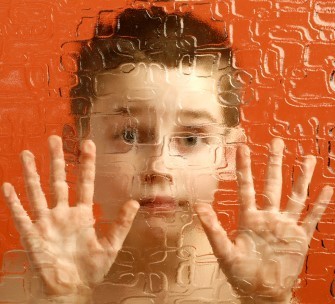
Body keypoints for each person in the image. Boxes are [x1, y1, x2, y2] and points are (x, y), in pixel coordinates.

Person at [1, 7, 333, 304]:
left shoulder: (256, 284)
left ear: (228, 154)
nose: (159, 166)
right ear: (76, 148)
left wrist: (269, 301)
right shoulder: (29, 285)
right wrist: (66, 298)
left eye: (190, 138)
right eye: (129, 135)